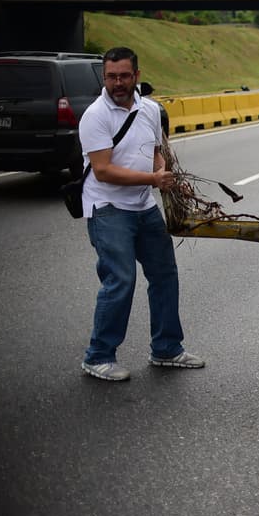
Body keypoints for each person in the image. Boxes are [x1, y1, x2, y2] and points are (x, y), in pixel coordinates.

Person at [77, 47, 204, 381]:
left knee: (164, 274)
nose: (117, 83)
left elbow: (155, 154)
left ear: (136, 75)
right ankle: (98, 356)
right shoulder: (95, 116)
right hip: (107, 208)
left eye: (123, 76)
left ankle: (166, 348)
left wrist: (167, 180)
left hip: (143, 207)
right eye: (110, 77)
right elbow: (103, 170)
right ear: (104, 77)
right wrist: (152, 179)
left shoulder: (149, 110)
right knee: (120, 280)